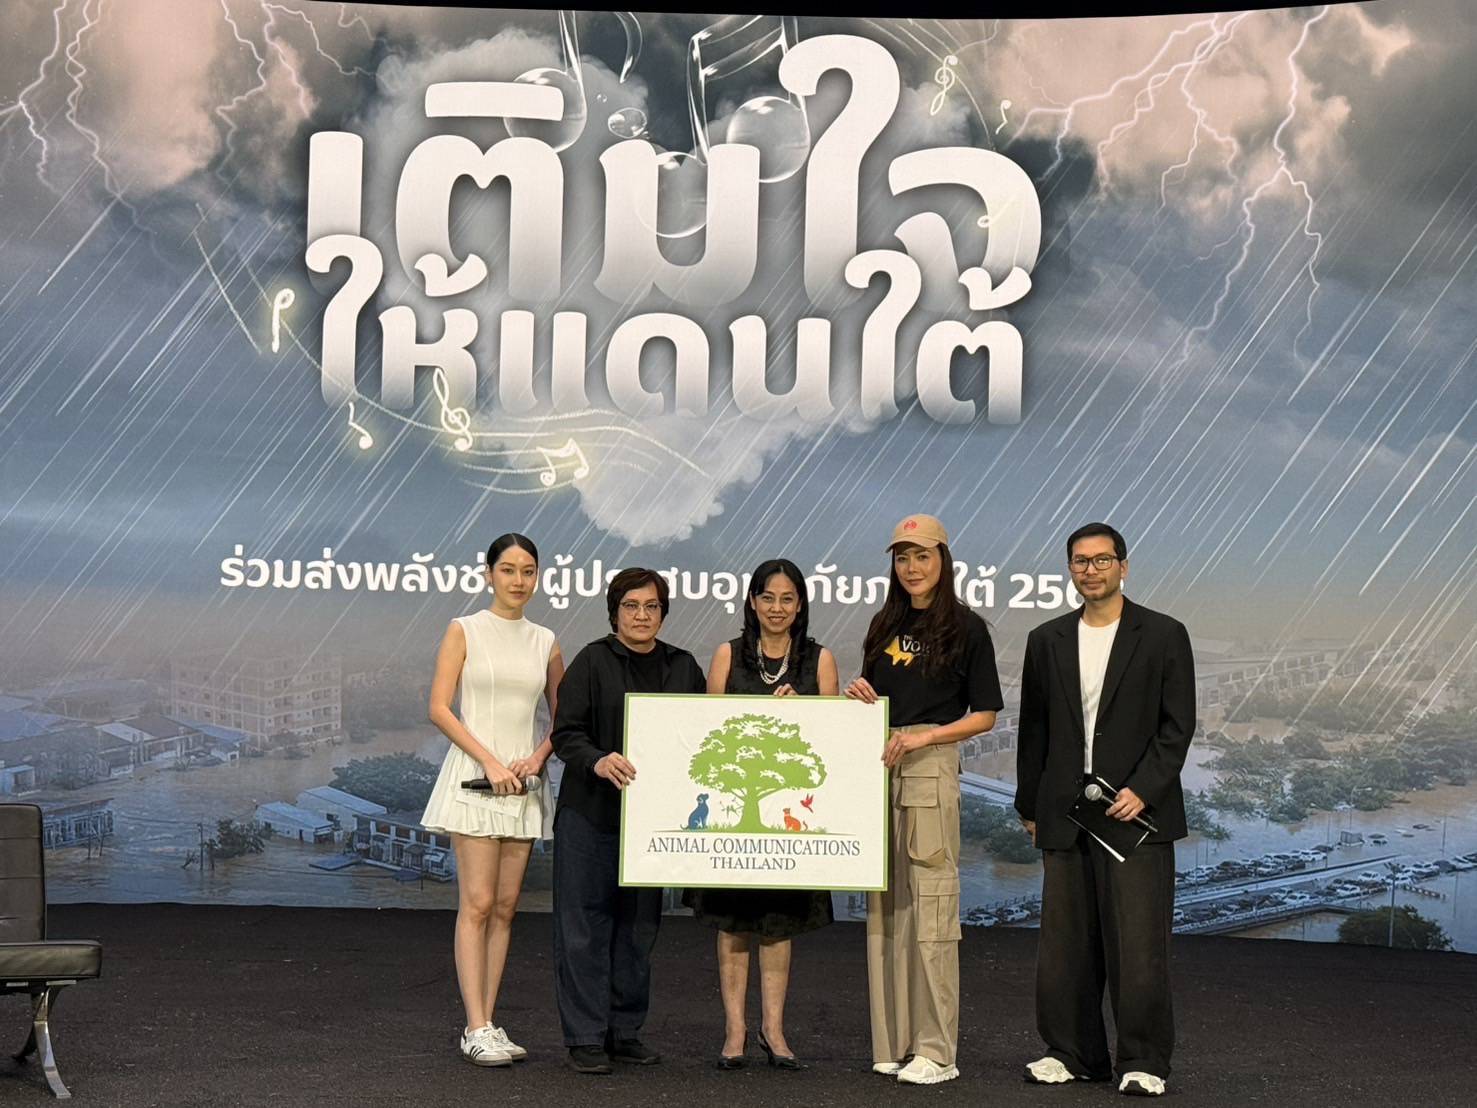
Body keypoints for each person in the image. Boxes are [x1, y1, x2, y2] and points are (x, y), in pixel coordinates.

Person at [1014, 522, 1196, 1098]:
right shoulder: (1046, 639)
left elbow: (1177, 726)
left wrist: (1144, 788)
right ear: (1070, 569)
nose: (1090, 570)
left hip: (1134, 815)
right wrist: (1029, 805)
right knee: (1064, 948)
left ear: (1123, 566)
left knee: (1138, 947)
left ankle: (1143, 1060)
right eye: (1080, 561)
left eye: (1101, 560)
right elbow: (1034, 730)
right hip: (1065, 814)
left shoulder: (1163, 634)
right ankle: (1071, 1053)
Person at [844, 514, 1002, 1086]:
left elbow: (985, 715)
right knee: (885, 909)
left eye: (922, 555)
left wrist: (926, 737)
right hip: (880, 765)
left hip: (929, 769)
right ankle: (894, 1042)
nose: (911, 567)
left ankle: (938, 1051)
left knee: (932, 911)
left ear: (943, 560)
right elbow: (884, 698)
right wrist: (861, 696)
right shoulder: (883, 623)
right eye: (902, 557)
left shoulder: (967, 628)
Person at [684, 559, 841, 1071]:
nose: (777, 608)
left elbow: (832, 741)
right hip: (734, 815)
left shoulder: (820, 660)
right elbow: (707, 731)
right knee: (732, 924)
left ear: (801, 605)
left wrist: (805, 714)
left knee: (778, 926)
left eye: (787, 598)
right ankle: (735, 1030)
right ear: (752, 602)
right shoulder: (727, 655)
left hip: (788, 817)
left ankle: (774, 1030)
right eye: (768, 598)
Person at [549, 567, 706, 1075]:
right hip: (589, 815)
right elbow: (566, 733)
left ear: (663, 612)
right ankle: (585, 1036)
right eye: (631, 606)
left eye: (652, 606)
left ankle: (624, 1031)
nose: (642, 615)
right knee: (584, 928)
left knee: (639, 929)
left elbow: (702, 738)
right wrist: (597, 760)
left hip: (653, 821)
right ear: (614, 612)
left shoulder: (684, 667)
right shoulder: (591, 661)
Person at [422, 533, 564, 1067]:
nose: (518, 580)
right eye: (508, 570)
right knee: (478, 903)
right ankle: (474, 1026)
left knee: (505, 908)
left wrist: (536, 758)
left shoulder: (546, 641)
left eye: (528, 571)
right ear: (489, 574)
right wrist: (490, 761)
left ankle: (490, 1021)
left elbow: (563, 717)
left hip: (523, 785)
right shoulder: (464, 629)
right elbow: (439, 707)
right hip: (474, 778)